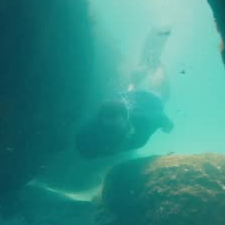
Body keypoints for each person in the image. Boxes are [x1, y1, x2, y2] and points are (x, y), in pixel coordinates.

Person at [75, 26, 175, 159]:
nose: (110, 134)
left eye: (114, 129)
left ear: (127, 121)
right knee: (129, 92)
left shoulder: (145, 120)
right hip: (128, 99)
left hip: (150, 101)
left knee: (158, 90)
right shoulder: (91, 131)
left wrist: (167, 126)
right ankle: (141, 71)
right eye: (106, 129)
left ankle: (155, 65)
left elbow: (162, 119)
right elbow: (83, 145)